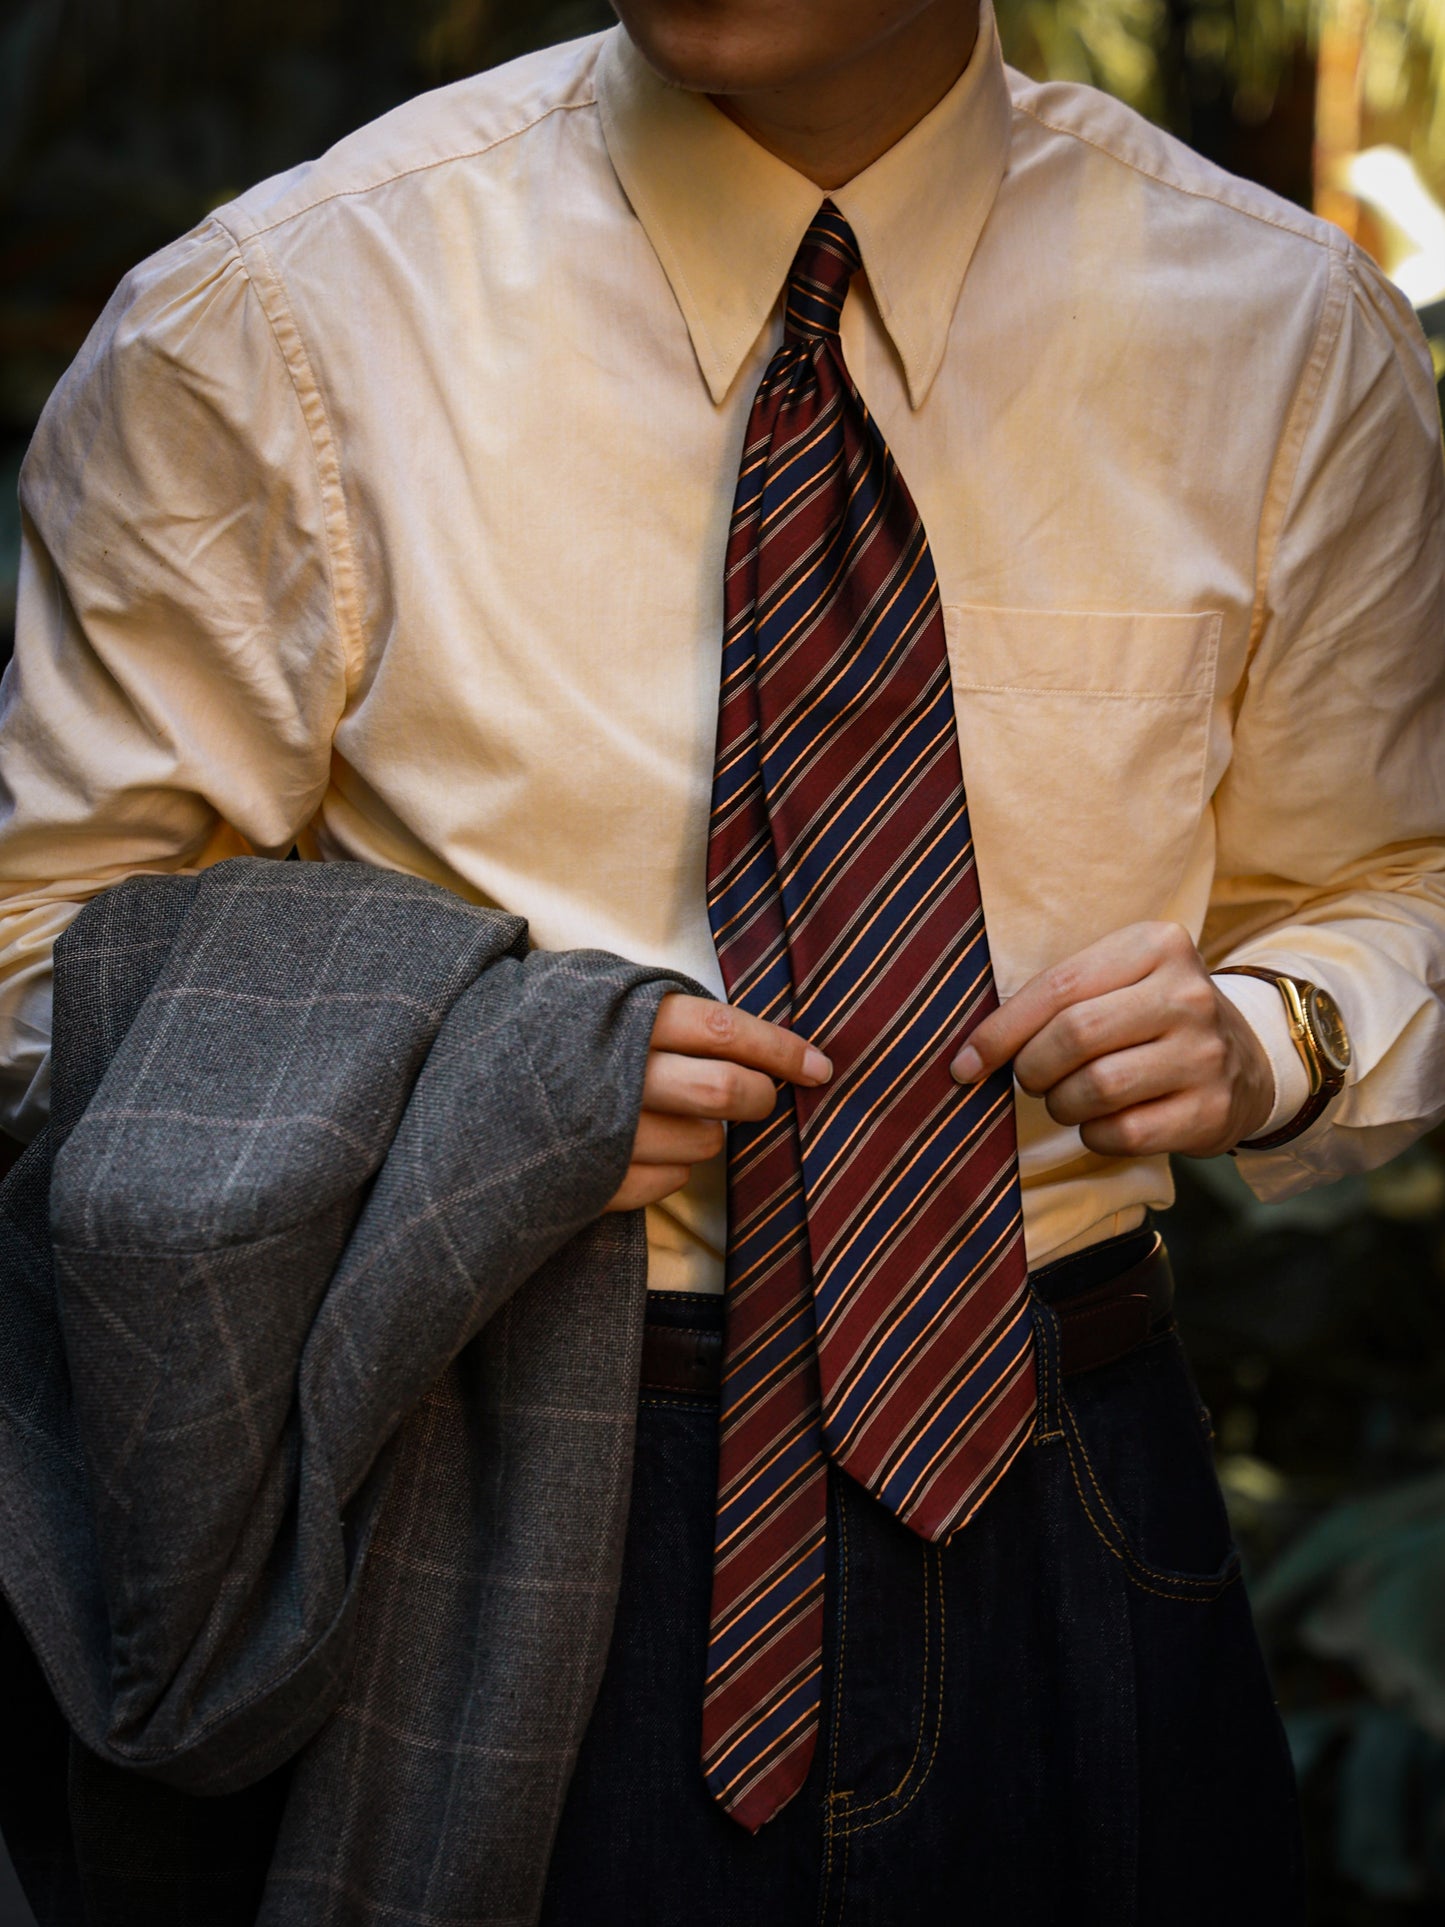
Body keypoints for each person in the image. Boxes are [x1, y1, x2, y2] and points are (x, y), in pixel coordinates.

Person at [0, 0, 1441, 1919]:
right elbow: (44, 967)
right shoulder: (276, 319)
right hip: (503, 1468)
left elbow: (1395, 870)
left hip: (1065, 1451)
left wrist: (1280, 1031)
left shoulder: (1270, 325)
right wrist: (486, 1072)